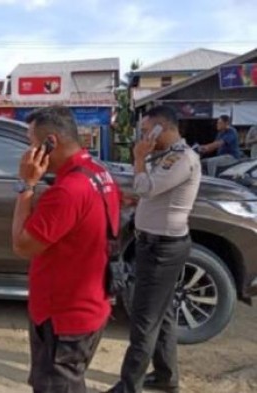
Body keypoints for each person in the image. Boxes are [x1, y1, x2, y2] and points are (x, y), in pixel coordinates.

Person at [11, 105, 121, 393]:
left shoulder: (69, 190)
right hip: (89, 304)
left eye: (32, 144)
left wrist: (26, 185)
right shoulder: (98, 173)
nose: (28, 152)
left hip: (64, 316)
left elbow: (22, 245)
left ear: (51, 144)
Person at [105, 106, 201, 393]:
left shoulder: (180, 158)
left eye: (148, 131)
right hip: (158, 244)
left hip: (162, 249)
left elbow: (145, 187)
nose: (144, 136)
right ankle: (166, 376)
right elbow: (152, 193)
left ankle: (128, 385)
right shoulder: (169, 157)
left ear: (163, 128)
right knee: (163, 314)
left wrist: (138, 158)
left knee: (144, 319)